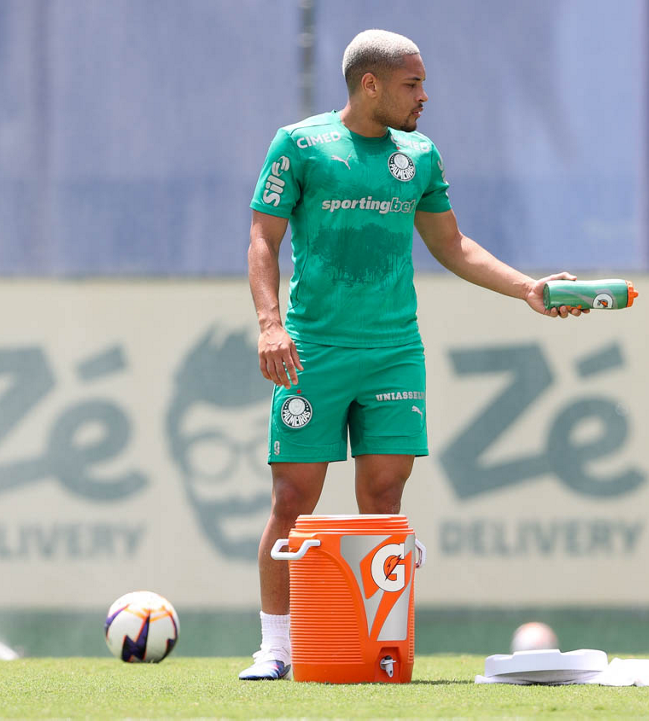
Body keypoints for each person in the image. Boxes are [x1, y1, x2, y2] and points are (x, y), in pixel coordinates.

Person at [241, 28, 587, 681]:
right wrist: (269, 323)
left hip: (395, 350)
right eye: (412, 84)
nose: (425, 96)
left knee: (384, 491)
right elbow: (264, 240)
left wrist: (529, 289)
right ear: (369, 83)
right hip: (312, 348)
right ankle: (275, 647)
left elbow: (452, 245)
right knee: (292, 499)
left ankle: (378, 648)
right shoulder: (300, 144)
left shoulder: (419, 156)